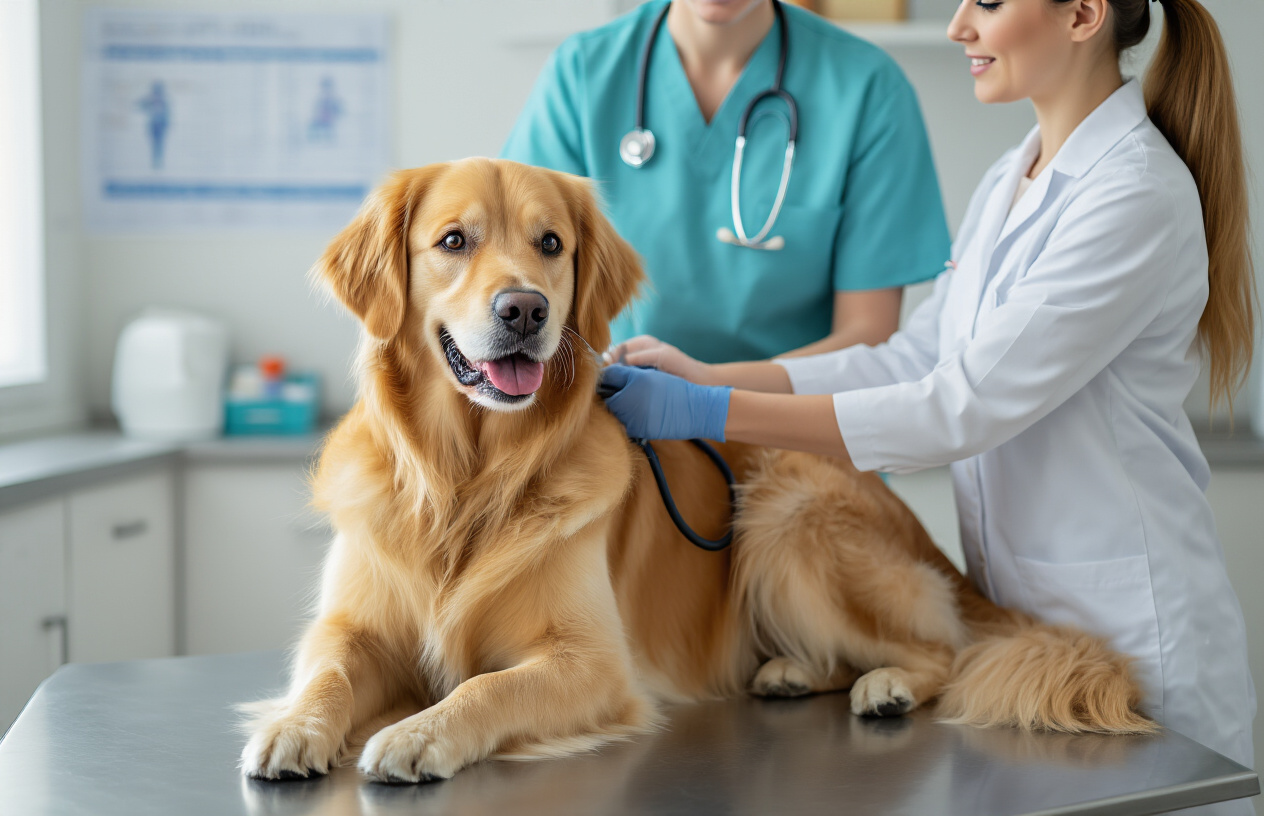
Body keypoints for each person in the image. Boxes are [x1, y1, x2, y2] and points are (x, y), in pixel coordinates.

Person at [600, 0, 1258, 801]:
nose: (957, 27)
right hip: (1017, 640)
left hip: (1136, 641)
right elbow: (916, 356)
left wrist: (707, 416)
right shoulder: (1010, 177)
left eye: (985, 2)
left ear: (1083, 15)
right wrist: (713, 377)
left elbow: (961, 406)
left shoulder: (1134, 194)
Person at [501, 0, 951, 364]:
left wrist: (709, 395)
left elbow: (865, 339)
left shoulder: (867, 89)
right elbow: (523, 284)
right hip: (621, 418)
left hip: (798, 432)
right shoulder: (582, 74)